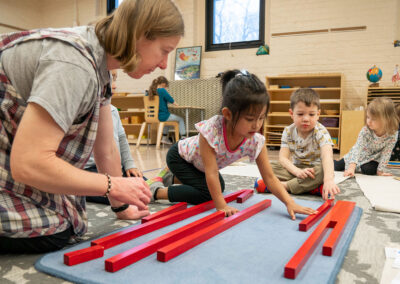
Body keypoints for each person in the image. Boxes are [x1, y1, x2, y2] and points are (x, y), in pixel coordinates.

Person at [0, 0, 184, 253]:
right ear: (140, 35)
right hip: (15, 156)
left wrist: (120, 205)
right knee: (57, 230)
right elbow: (29, 163)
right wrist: (113, 185)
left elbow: (106, 147)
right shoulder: (74, 63)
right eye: (164, 50)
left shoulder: (100, 66)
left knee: (71, 216)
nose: (164, 64)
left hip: (13, 152)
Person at [148, 69, 316, 219]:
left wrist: (289, 202)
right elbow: (211, 173)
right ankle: (156, 191)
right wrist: (221, 206)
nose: (257, 125)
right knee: (207, 193)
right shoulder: (212, 130)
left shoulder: (255, 140)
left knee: (218, 187)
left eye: (261, 117)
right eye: (250, 119)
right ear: (228, 114)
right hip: (179, 157)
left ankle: (171, 178)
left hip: (199, 166)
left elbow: (270, 178)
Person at [268, 88, 340, 200]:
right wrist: (297, 172)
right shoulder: (288, 131)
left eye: (311, 114)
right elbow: (283, 158)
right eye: (300, 114)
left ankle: (286, 186)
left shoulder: (321, 132)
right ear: (291, 114)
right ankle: (309, 186)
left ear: (318, 114)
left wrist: (328, 180)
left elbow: (327, 157)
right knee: (269, 166)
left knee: (323, 171)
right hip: (296, 170)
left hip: (314, 171)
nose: (306, 119)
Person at [85, 104, 144, 205]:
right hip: (89, 169)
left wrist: (129, 165)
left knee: (142, 183)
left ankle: (156, 190)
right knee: (118, 195)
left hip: (114, 167)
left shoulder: (113, 110)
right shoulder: (86, 109)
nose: (115, 87)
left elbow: (121, 138)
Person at [335, 98, 399, 176]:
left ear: (387, 120)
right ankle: (337, 161)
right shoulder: (366, 130)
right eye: (368, 117)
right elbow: (358, 147)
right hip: (358, 155)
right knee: (336, 166)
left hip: (373, 159)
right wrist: (351, 167)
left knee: (369, 170)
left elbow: (387, 152)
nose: (369, 121)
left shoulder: (393, 133)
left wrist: (380, 170)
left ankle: (360, 167)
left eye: (374, 119)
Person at [147, 76, 186, 144]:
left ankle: (164, 138)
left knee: (167, 120)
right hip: (162, 116)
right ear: (163, 84)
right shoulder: (162, 90)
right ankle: (183, 137)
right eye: (166, 85)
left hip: (151, 117)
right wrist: (177, 105)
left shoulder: (149, 92)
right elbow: (170, 100)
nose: (166, 87)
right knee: (180, 119)